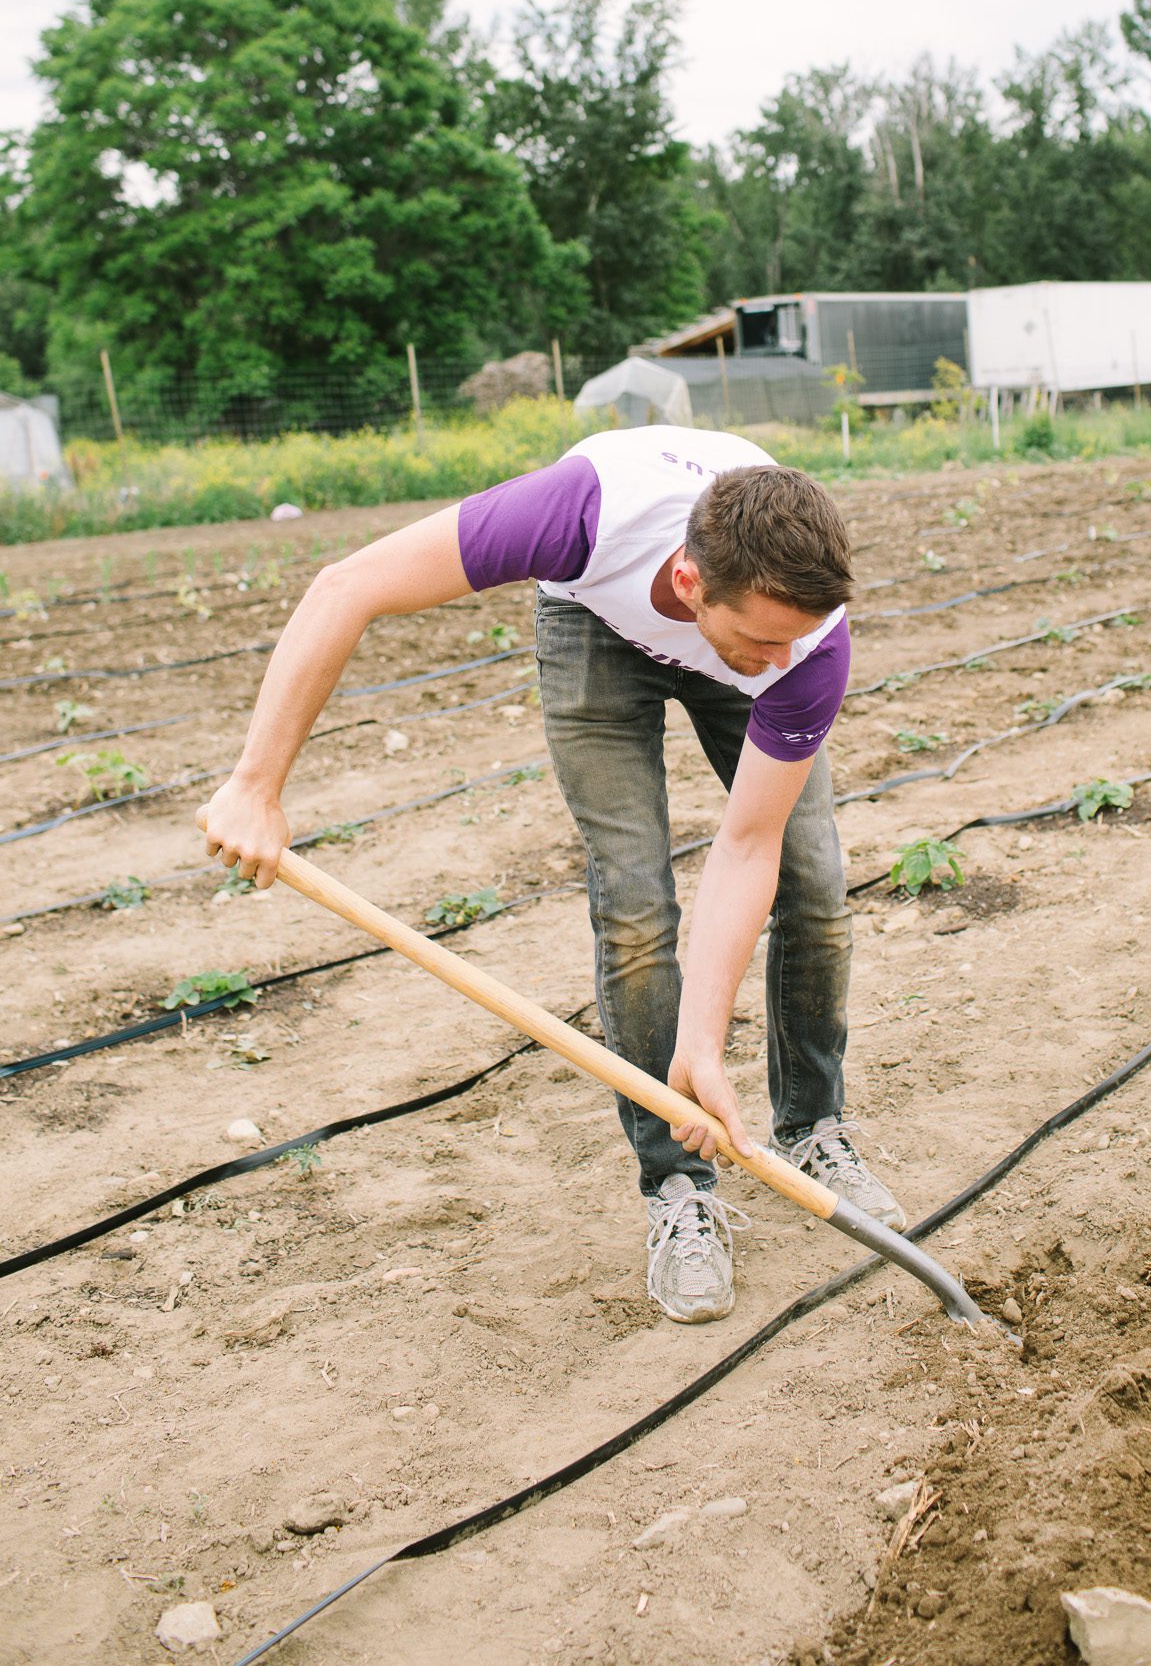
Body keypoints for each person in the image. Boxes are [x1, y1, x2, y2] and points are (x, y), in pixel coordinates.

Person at [195, 426, 906, 1326]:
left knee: (813, 879)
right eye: (764, 641)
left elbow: (746, 846)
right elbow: (349, 585)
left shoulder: (803, 646)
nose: (778, 662)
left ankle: (811, 1129)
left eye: (793, 643)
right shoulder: (580, 511)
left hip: (720, 623)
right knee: (636, 903)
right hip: (598, 627)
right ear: (690, 582)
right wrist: (256, 786)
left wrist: (702, 1041)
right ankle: (677, 1187)